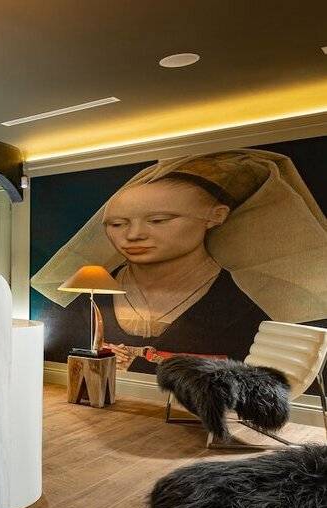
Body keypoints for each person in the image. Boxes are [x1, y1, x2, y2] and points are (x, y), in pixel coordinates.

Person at [31, 149, 327, 374]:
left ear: (216, 216)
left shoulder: (252, 301)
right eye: (117, 224)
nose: (133, 235)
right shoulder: (81, 301)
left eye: (159, 220)